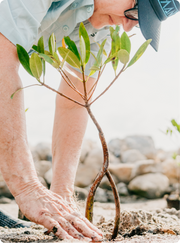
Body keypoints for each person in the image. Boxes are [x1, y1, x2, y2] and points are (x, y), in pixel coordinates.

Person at [0, 0, 179, 240]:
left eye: (138, 21)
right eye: (136, 12)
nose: (127, 27)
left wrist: (62, 193)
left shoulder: (99, 28)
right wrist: (27, 187)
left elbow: (74, 101)